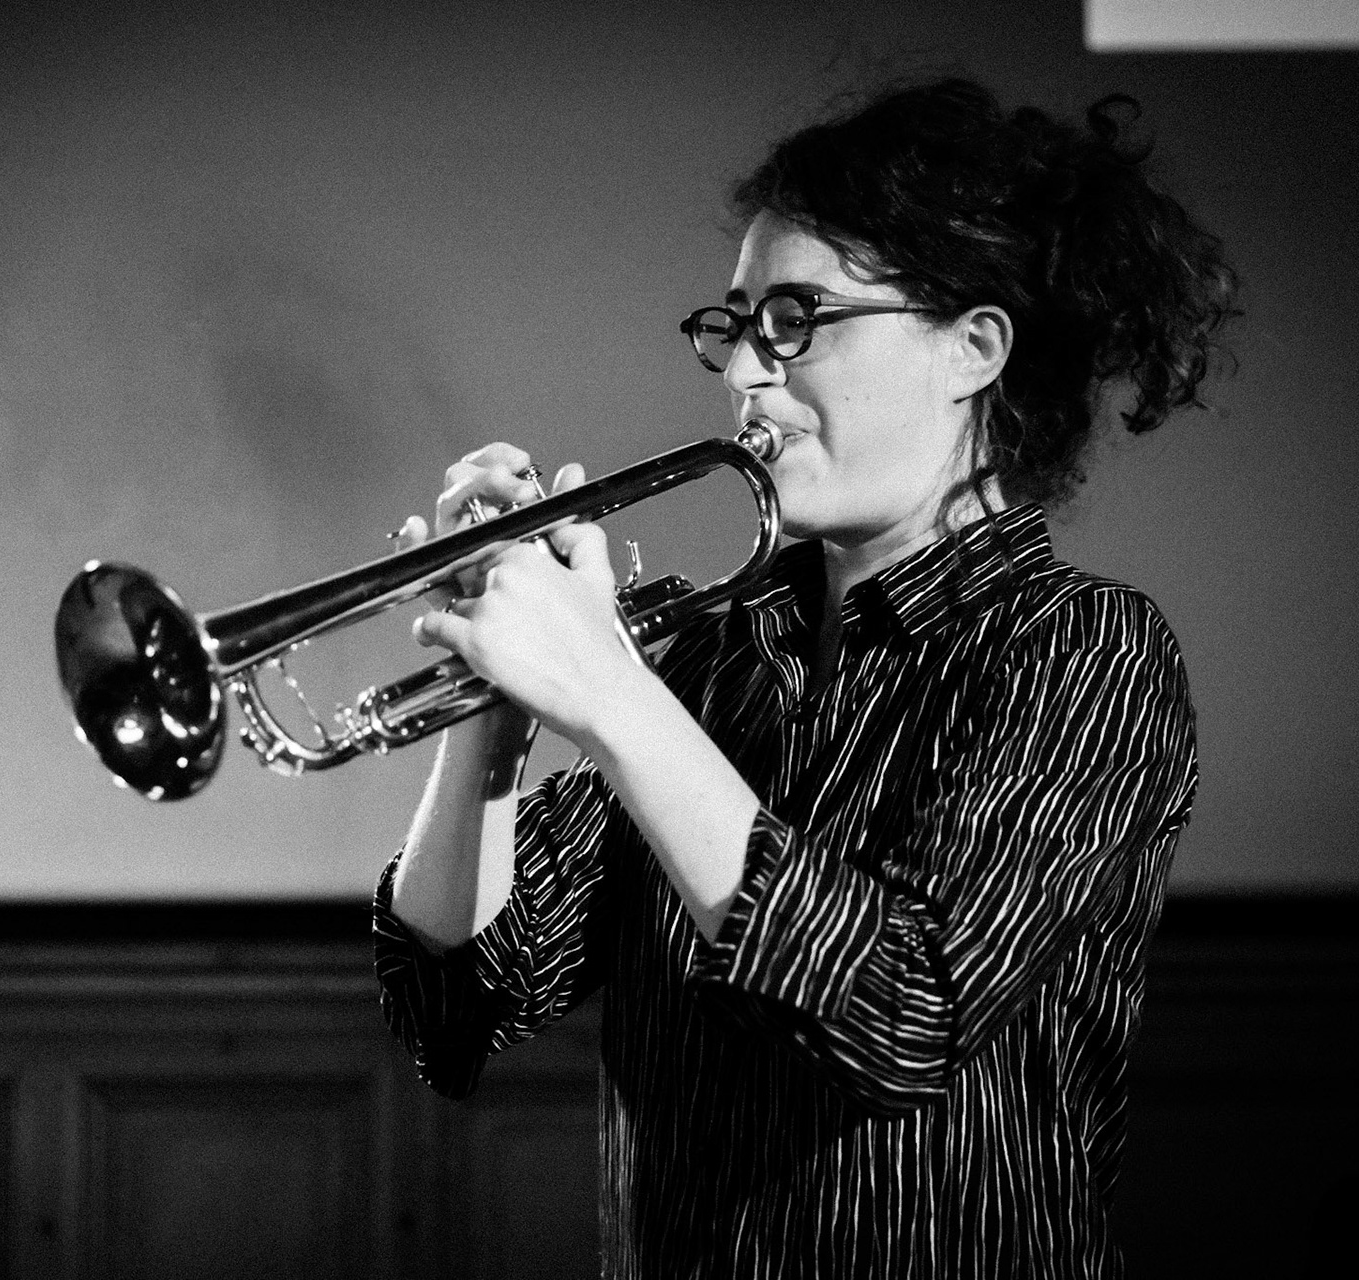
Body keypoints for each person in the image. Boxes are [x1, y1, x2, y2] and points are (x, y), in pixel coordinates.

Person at [373, 77, 1236, 1279]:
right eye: (736, 327)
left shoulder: (1085, 648)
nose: (746, 377)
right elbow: (461, 1001)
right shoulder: (714, 657)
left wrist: (614, 697)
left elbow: (900, 1008)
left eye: (799, 318)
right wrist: (492, 714)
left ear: (971, 349)